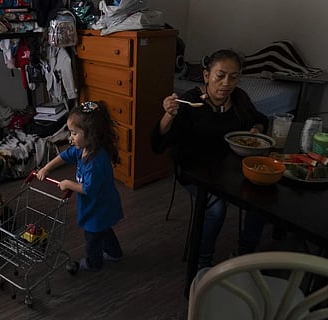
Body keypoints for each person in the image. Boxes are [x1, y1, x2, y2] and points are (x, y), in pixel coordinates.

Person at [151, 49, 269, 269]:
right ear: (206, 76)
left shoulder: (240, 99)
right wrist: (168, 114)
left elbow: (261, 119)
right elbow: (158, 144)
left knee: (261, 200)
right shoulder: (189, 102)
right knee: (216, 209)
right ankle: (202, 264)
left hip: (230, 168)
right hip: (194, 170)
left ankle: (244, 254)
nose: (226, 83)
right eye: (220, 75)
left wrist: (256, 128)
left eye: (233, 77)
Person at [37, 101, 124, 272]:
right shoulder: (82, 150)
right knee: (104, 230)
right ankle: (115, 253)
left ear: (91, 135)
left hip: (98, 208)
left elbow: (88, 189)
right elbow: (64, 156)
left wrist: (68, 184)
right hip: (101, 205)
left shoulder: (96, 162)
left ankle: (94, 263)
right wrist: (47, 168)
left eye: (74, 133)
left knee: (92, 238)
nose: (70, 137)